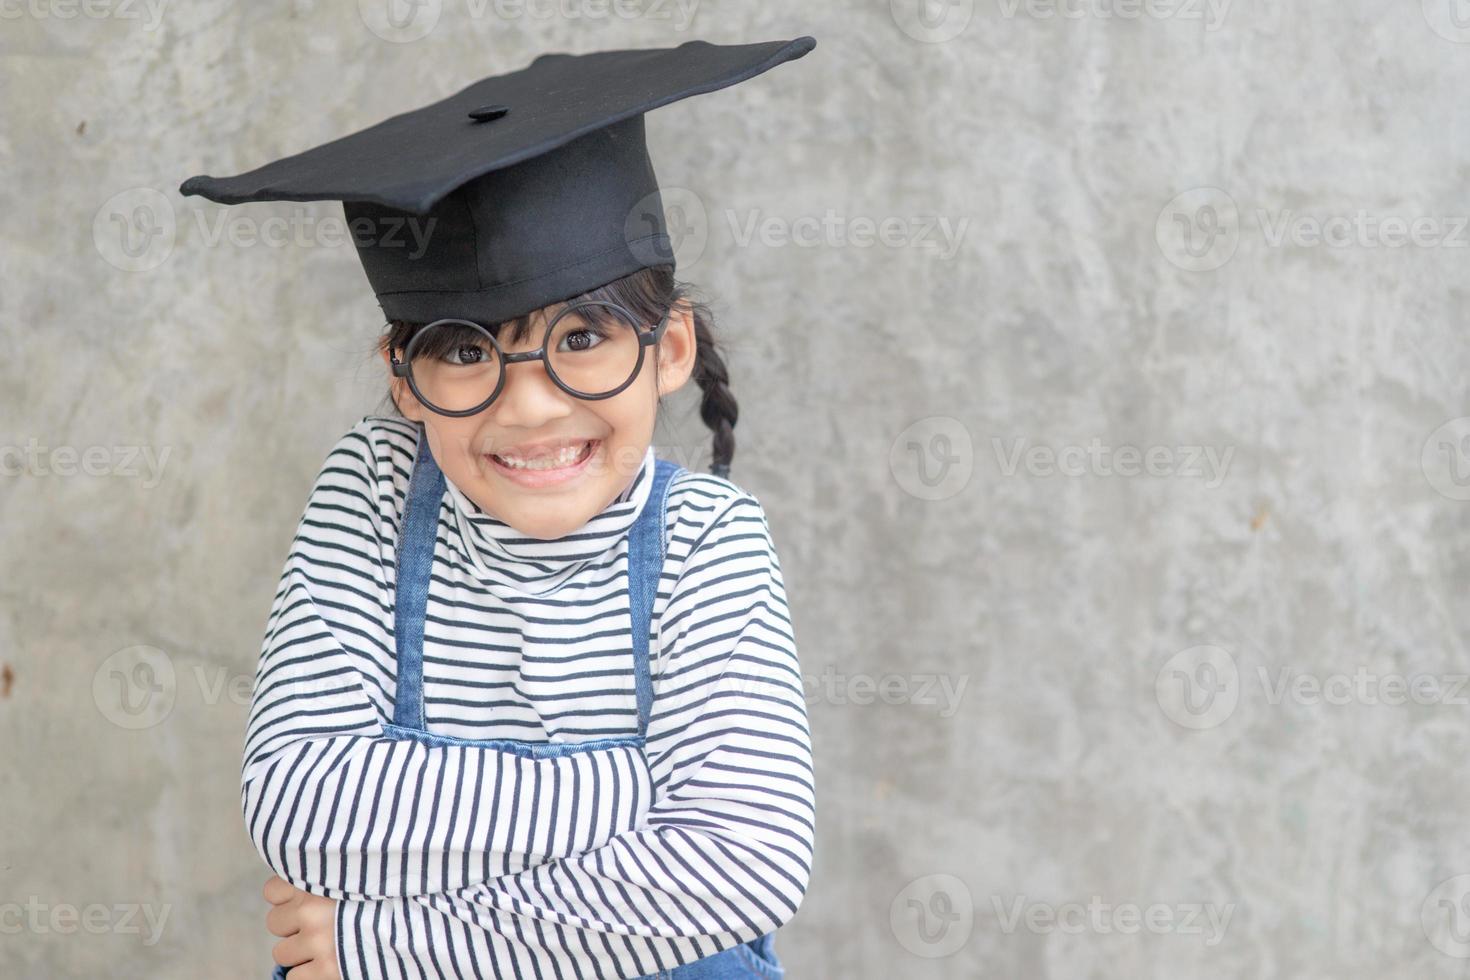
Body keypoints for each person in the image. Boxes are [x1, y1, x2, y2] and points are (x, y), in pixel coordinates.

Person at [180, 36, 817, 979]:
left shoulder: (707, 542)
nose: (529, 407)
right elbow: (294, 804)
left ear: (669, 350)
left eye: (583, 335)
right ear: (405, 379)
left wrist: (386, 938)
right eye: (467, 351)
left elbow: (746, 862)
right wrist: (634, 791)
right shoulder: (376, 490)